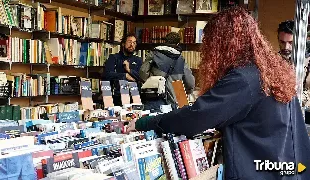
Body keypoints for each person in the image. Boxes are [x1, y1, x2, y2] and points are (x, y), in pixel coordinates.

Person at [128, 7, 310, 180]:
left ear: (223, 44)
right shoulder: (270, 69)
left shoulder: (244, 77)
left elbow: (195, 118)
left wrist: (144, 123)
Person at [139, 32, 195, 111]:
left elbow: (143, 73)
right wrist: (188, 90)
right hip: (178, 95)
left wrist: (153, 80)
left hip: (156, 94)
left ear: (165, 41)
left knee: (154, 121)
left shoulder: (154, 53)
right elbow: (190, 82)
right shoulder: (181, 59)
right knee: (177, 121)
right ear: (178, 43)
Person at [103, 33, 142, 106]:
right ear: (123, 44)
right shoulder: (114, 58)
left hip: (135, 96)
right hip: (117, 97)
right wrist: (125, 75)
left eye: (134, 43)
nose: (132, 45)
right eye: (129, 42)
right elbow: (107, 74)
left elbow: (141, 77)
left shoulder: (138, 60)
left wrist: (129, 70)